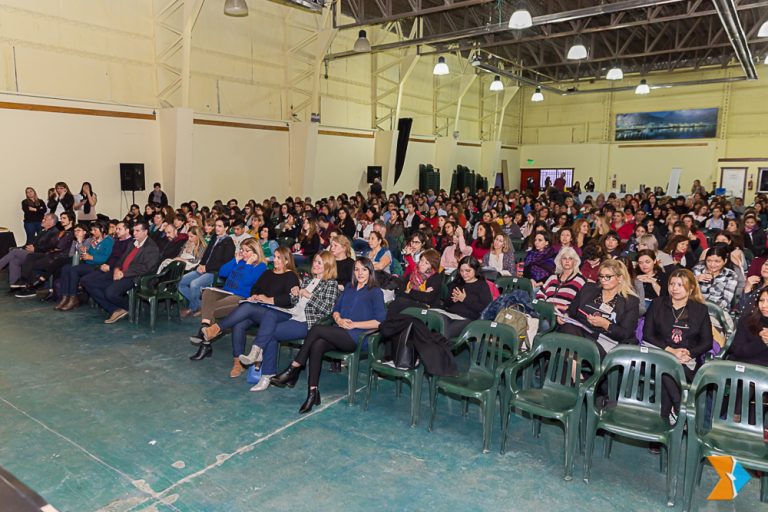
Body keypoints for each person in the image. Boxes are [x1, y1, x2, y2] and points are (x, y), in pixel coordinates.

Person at [271, 257, 386, 413]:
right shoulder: (349, 287)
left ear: (370, 272)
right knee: (317, 345)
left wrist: (354, 324)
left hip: (358, 337)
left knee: (317, 329)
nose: (360, 273)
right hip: (340, 332)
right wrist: (338, 319)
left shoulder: (375, 292)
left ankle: (295, 367)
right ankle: (312, 392)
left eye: (364, 270)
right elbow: (335, 309)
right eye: (357, 269)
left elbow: (379, 322)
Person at [228, 252, 341, 391]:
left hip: (307, 322)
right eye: (315, 261)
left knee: (270, 333)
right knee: (270, 315)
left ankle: (264, 370)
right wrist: (294, 292)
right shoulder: (308, 280)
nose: (315, 265)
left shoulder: (331, 284)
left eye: (319, 263)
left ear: (328, 266)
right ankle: (259, 358)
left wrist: (309, 295)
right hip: (293, 314)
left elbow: (327, 309)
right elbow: (295, 302)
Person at [189, 247, 301, 376]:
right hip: (260, 309)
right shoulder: (268, 273)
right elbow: (255, 288)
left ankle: (215, 329)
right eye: (274, 257)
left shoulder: (291, 276)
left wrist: (269, 299)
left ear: (287, 261)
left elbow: (290, 299)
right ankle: (238, 363)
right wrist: (254, 295)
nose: (275, 260)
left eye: (278, 258)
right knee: (239, 323)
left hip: (276, 312)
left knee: (247, 306)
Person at [643, 269, 713, 425]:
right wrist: (671, 351)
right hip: (660, 352)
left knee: (668, 371)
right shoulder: (658, 304)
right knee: (667, 365)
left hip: (686, 359)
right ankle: (679, 405)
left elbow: (707, 342)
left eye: (680, 285)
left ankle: (666, 417)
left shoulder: (700, 310)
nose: (674, 288)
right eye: (672, 284)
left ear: (691, 288)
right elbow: (647, 335)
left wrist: (689, 353)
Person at [189, 238, 267, 348]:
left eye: (247, 251)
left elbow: (247, 281)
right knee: (208, 292)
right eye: (242, 250)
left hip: (241, 296)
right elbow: (222, 272)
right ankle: (204, 327)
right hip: (226, 292)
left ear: (256, 252)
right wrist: (235, 260)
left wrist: (248, 264)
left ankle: (204, 340)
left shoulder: (261, 266)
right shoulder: (240, 261)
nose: (243, 253)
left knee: (210, 309)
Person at [558, 259, 640, 358]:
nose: (603, 280)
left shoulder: (631, 301)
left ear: (620, 278)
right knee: (568, 328)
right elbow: (572, 311)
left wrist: (606, 325)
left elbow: (625, 334)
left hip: (606, 341)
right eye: (601, 276)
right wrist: (565, 316)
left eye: (608, 277)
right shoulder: (588, 288)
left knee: (569, 336)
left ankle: (573, 365)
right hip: (581, 333)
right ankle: (575, 366)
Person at [83, 220, 160, 324]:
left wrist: (124, 273)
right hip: (121, 272)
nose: (134, 233)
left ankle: (128, 307)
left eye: (137, 231)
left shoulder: (151, 247)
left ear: (145, 232)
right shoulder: (133, 243)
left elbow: (145, 267)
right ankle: (115, 309)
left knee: (110, 292)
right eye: (134, 230)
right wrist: (116, 269)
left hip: (135, 277)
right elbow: (122, 259)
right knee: (89, 283)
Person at [179, 218, 236, 317]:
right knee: (180, 282)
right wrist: (201, 264)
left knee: (194, 284)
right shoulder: (214, 237)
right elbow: (206, 254)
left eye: (220, 226)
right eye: (216, 226)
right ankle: (201, 305)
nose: (217, 228)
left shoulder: (228, 242)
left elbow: (225, 264)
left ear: (226, 228)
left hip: (216, 272)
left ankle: (192, 308)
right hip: (205, 268)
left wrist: (207, 268)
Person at [55, 221, 114, 311]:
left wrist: (91, 257)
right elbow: (88, 253)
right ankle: (65, 297)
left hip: (98, 266)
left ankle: (73, 298)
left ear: (102, 229)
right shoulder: (94, 240)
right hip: (89, 263)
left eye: (95, 230)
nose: (92, 232)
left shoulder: (109, 241)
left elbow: (106, 258)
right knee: (66, 268)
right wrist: (85, 251)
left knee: (73, 270)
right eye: (92, 230)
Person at [15, 211, 75, 296]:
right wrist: (53, 246)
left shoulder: (72, 232)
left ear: (71, 220)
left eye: (64, 218)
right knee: (30, 257)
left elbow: (59, 246)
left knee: (32, 263)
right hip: (51, 254)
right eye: (61, 218)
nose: (61, 220)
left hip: (59, 257)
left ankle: (32, 286)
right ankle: (26, 281)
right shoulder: (61, 231)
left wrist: (53, 246)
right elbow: (51, 244)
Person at [440, 256, 493, 337]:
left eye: (468, 271)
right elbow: (446, 304)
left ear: (475, 270)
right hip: (450, 314)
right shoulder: (457, 282)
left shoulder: (482, 285)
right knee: (433, 326)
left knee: (445, 333)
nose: (464, 274)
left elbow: (485, 308)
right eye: (461, 271)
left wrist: (464, 299)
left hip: (467, 319)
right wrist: (452, 300)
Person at [535, 246, 586, 312]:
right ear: (560, 261)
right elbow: (540, 294)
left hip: (564, 314)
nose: (567, 261)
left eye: (570, 258)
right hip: (545, 310)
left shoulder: (580, 281)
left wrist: (564, 308)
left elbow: (580, 304)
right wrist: (544, 305)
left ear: (575, 262)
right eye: (564, 258)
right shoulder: (552, 278)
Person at [729, 287, 768, 366]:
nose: (764, 305)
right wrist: (761, 342)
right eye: (761, 300)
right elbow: (736, 351)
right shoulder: (747, 321)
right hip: (742, 366)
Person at [692, 244, 737, 311]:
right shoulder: (698, 270)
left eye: (717, 261)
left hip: (718, 311)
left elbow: (726, 301)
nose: (712, 265)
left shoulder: (730, 275)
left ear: (725, 261)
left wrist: (709, 309)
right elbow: (688, 293)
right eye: (709, 261)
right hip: (696, 308)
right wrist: (695, 279)